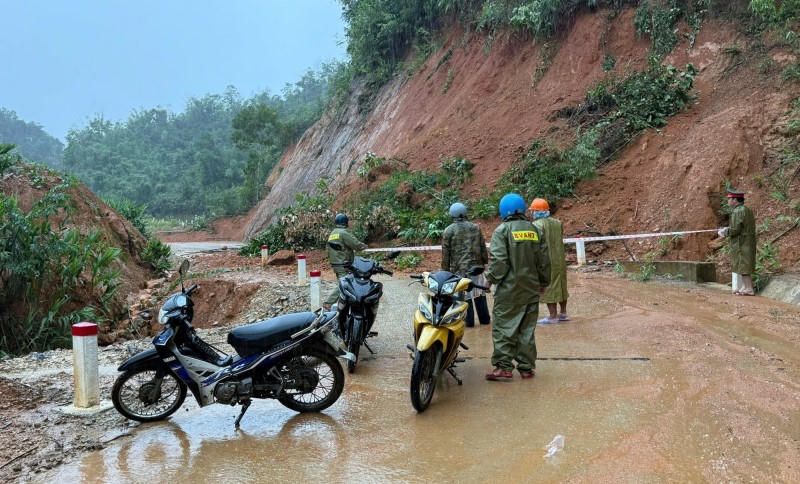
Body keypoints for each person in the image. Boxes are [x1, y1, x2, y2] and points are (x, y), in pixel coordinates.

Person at [485, 193, 550, 381]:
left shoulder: (502, 231)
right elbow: (544, 260)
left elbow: (499, 262)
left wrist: (490, 280)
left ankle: (503, 367)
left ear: (504, 211)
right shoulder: (535, 231)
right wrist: (543, 282)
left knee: (504, 328)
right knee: (526, 329)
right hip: (530, 289)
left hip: (509, 290)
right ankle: (526, 368)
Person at [441, 202, 490, 327]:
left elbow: (446, 254)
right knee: (479, 292)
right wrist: (484, 262)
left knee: (465, 295)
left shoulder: (448, 231)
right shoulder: (476, 227)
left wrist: (445, 271)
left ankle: (469, 323)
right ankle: (485, 320)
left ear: (452, 214)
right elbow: (482, 247)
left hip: (460, 270)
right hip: (477, 267)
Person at [530, 198, 569, 324]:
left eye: (533, 211)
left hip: (546, 261)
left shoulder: (536, 225)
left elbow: (535, 246)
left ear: (536, 212)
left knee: (548, 287)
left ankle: (553, 316)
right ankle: (563, 313)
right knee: (562, 285)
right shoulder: (558, 223)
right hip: (560, 260)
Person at [324, 213, 367, 309]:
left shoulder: (333, 233)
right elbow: (356, 245)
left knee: (343, 283)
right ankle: (328, 303)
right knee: (345, 284)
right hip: (343, 264)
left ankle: (344, 305)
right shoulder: (343, 233)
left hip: (336, 264)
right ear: (345, 223)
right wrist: (364, 246)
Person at [719, 189, 756, 296]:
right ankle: (745, 287)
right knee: (744, 264)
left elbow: (735, 229)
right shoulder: (747, 210)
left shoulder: (737, 211)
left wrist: (725, 232)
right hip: (748, 241)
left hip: (741, 242)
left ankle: (749, 288)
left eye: (729, 199)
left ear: (735, 200)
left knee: (742, 263)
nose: (728, 201)